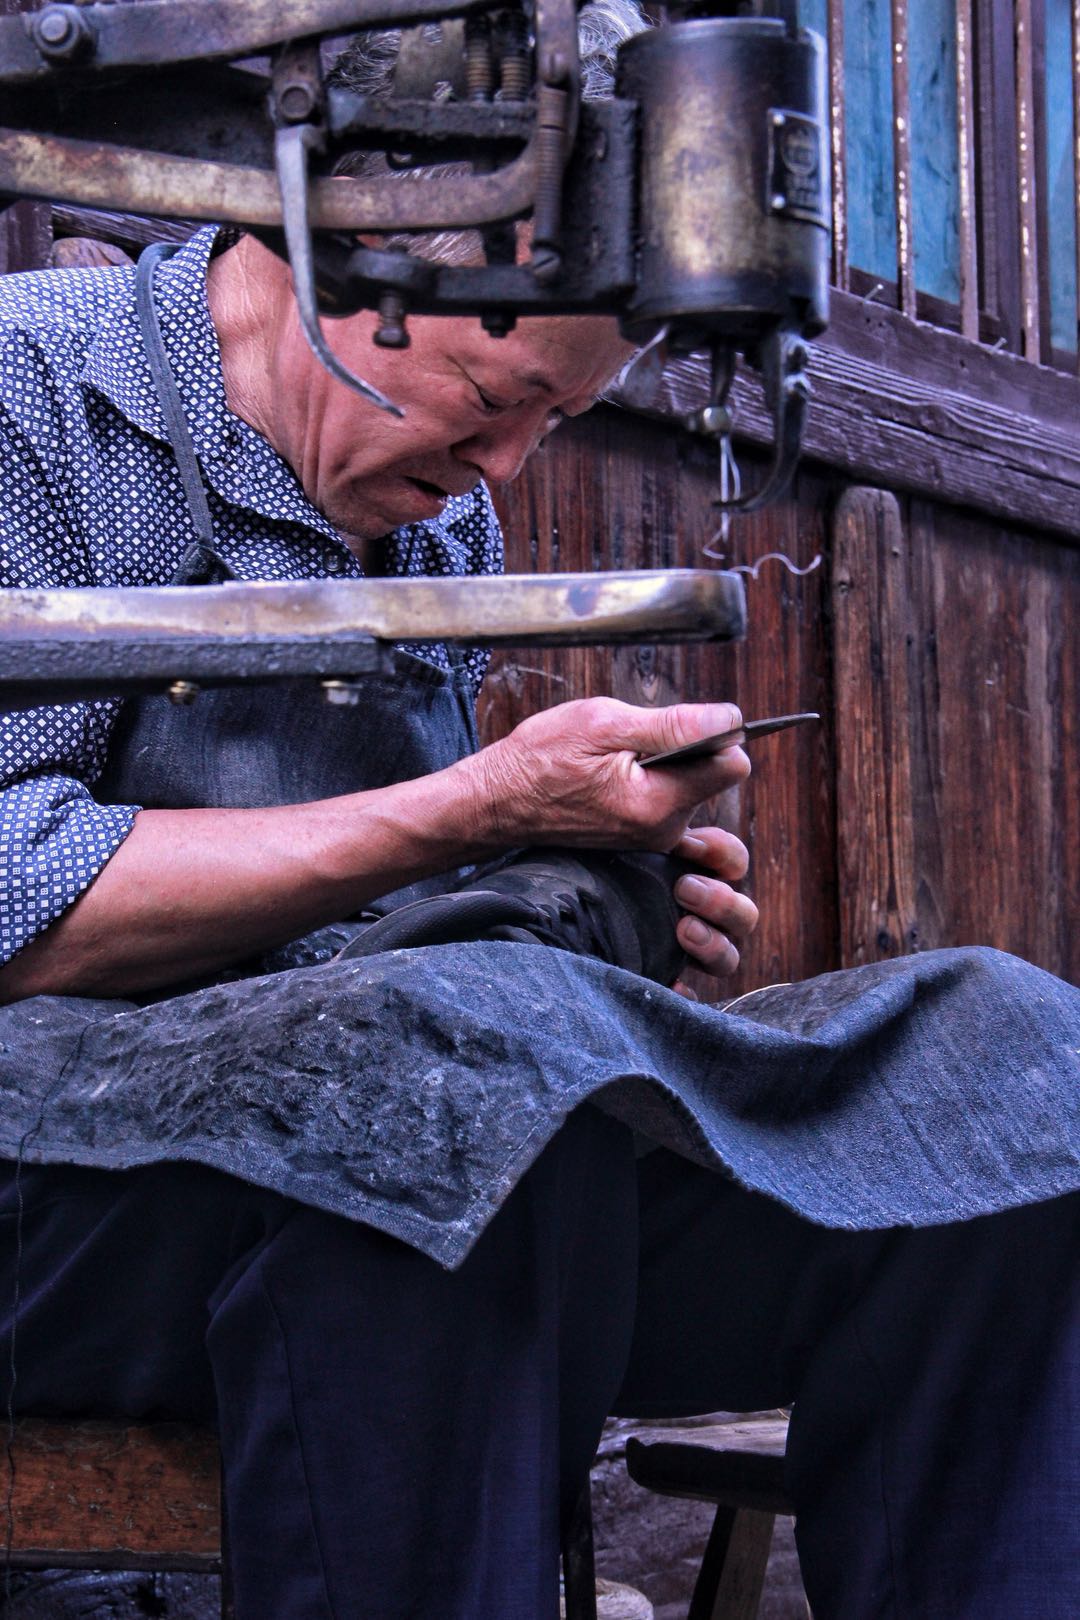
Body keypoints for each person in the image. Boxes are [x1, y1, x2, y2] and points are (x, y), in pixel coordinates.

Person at [0, 5, 1076, 1616]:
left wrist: (585, 891)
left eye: (556, 422)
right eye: (488, 394)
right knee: (471, 1089)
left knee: (1003, 1093)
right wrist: (467, 813)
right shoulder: (31, 394)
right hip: (62, 1197)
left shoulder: (434, 522)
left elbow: (375, 946)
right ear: (335, 266)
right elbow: (12, 906)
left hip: (402, 1157)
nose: (505, 461)